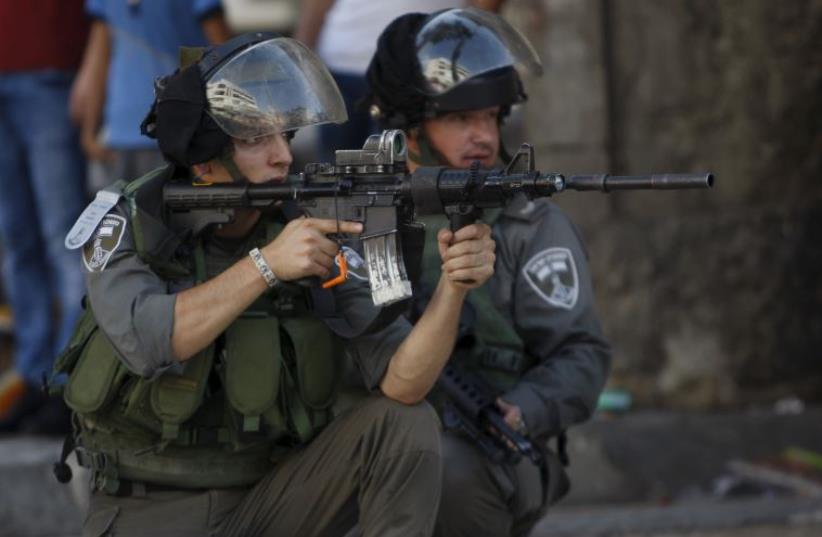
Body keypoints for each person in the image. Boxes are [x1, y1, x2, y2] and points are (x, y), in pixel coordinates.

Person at [57, 32, 496, 537]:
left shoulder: (301, 227)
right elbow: (149, 340)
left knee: (404, 424)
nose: (283, 156)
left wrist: (453, 287)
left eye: (284, 136)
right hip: (149, 513)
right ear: (204, 161)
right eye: (255, 139)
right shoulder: (130, 220)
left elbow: (403, 380)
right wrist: (265, 266)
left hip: (268, 502)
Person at [363, 8, 612, 536]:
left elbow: (582, 354)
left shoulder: (527, 223)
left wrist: (521, 409)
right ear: (408, 130)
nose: (483, 137)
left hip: (488, 446)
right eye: (460, 118)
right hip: (376, 435)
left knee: (444, 472)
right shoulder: (361, 214)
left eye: (491, 117)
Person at [0, 0, 90, 434]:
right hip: (19, 72)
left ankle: (67, 383)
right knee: (19, 239)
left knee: (64, 237)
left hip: (50, 71)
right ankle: (34, 379)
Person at [294, 0, 505, 162]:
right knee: (335, 178)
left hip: (427, 72)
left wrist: (467, 45)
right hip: (342, 64)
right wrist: (301, 54)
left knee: (408, 177)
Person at [71, 0, 231, 193]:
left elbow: (98, 55)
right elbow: (224, 56)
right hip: (163, 129)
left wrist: (90, 129)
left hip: (152, 130)